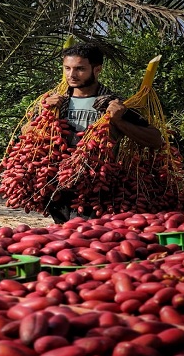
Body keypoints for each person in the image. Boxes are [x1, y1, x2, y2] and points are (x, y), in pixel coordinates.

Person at [42, 43, 164, 224]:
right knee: (63, 238)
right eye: (67, 68)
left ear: (97, 69)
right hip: (57, 187)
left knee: (84, 236)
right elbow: (25, 132)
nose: (72, 75)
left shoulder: (114, 104)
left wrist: (118, 121)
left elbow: (155, 139)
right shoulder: (56, 101)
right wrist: (44, 112)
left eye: (80, 69)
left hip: (96, 188)